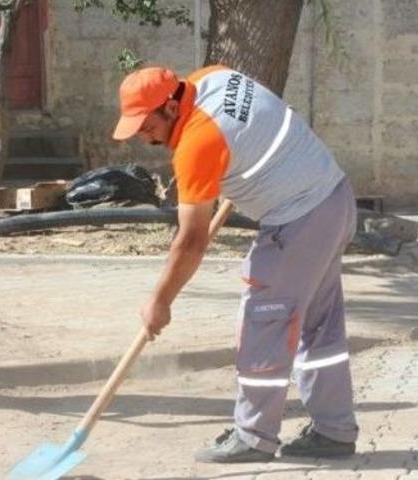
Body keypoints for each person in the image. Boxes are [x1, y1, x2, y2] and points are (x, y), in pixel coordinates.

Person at [112, 65, 359, 462]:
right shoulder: (213, 76)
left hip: (299, 220)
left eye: (146, 125)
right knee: (319, 325)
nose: (143, 136)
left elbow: (191, 240)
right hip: (335, 199)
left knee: (264, 320)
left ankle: (254, 437)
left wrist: (160, 300)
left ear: (172, 107)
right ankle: (334, 432)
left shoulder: (198, 143)